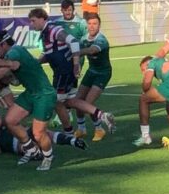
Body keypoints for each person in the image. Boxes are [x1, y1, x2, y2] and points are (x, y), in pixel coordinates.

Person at [28, 8, 115, 140]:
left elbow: (77, 44)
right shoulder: (46, 34)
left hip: (74, 72)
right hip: (77, 71)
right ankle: (90, 123)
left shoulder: (53, 30)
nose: (31, 24)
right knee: (71, 101)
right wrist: (37, 62)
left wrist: (75, 63)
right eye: (89, 24)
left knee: (56, 101)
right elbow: (50, 53)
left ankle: (74, 131)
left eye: (33, 21)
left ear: (42, 18)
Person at [0, 32, 58, 170]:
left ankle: (48, 157)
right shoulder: (13, 54)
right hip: (31, 92)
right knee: (10, 120)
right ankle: (31, 150)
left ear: (4, 44)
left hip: (44, 94)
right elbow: (6, 77)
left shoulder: (15, 51)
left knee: (38, 132)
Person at [75, 13, 114, 141]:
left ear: (99, 25)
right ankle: (81, 128)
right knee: (78, 100)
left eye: (95, 24)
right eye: (90, 24)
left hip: (103, 73)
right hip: (91, 71)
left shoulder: (101, 40)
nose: (92, 26)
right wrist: (78, 66)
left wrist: (76, 52)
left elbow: (92, 50)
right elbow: (80, 57)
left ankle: (99, 129)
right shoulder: (83, 38)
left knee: (88, 103)